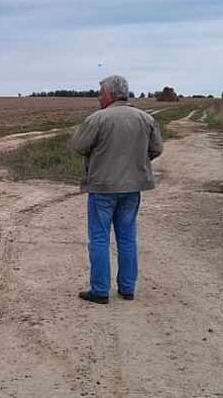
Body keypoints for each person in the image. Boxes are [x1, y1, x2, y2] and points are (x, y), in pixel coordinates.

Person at [71, 75, 163, 304]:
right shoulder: (145, 119)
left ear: (111, 95)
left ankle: (100, 290)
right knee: (127, 237)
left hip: (102, 187)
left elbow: (79, 145)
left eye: (100, 93)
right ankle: (127, 288)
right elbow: (157, 149)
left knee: (100, 239)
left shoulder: (98, 119)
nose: (98, 98)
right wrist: (136, 162)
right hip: (132, 189)